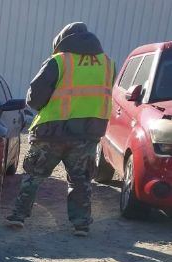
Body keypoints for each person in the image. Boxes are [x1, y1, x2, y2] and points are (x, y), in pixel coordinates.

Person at [7, 22, 115, 236]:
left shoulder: (59, 61)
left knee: (33, 175)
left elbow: (35, 98)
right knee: (80, 179)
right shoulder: (107, 64)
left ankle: (18, 216)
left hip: (51, 131)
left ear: (62, 40)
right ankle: (81, 224)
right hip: (87, 134)